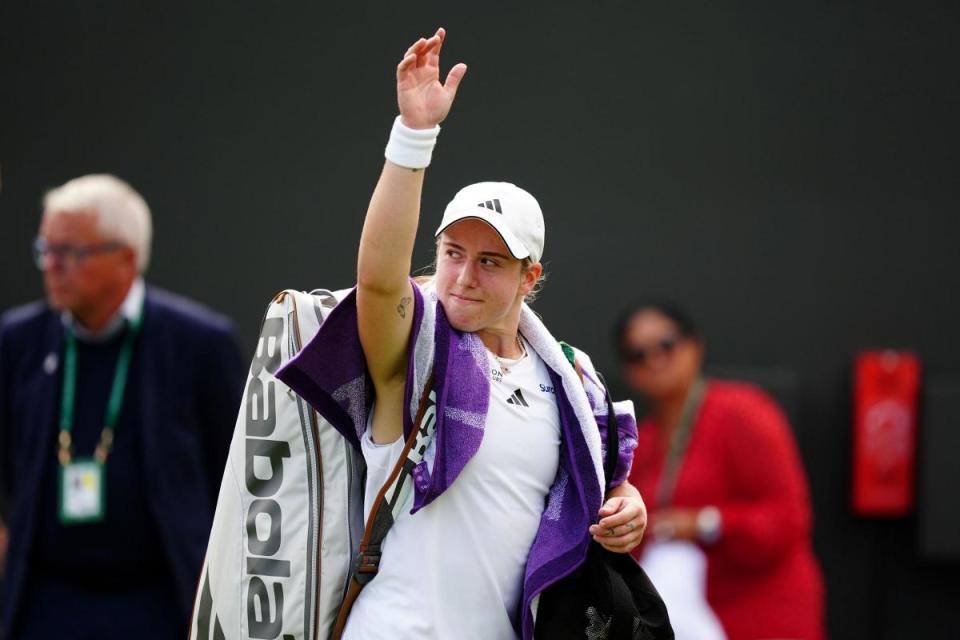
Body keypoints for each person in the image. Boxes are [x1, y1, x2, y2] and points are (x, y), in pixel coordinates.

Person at [276, 28, 647, 640]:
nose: (463, 277)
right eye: (453, 252)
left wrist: (626, 508)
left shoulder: (571, 379)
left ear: (531, 276)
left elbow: (597, 486)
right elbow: (377, 282)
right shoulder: (415, 350)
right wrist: (413, 135)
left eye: (491, 261)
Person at [0, 174, 246, 639]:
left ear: (127, 258)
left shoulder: (199, 343)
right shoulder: (18, 341)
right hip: (45, 600)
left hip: (159, 599)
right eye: (44, 249)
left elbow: (233, 476)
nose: (50, 265)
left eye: (69, 252)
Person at [617, 299, 826, 640]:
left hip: (762, 615)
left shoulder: (743, 412)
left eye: (665, 346)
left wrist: (703, 523)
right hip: (688, 620)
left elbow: (788, 519)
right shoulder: (644, 439)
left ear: (694, 345)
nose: (654, 360)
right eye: (637, 355)